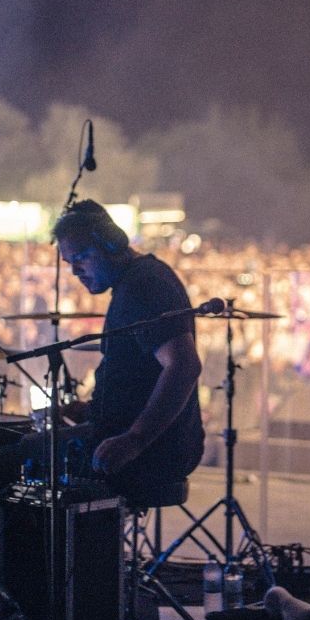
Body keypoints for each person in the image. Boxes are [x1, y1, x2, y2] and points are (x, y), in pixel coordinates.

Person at [54, 199, 204, 501]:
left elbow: (184, 366)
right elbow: (138, 379)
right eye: (69, 262)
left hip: (153, 452)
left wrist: (135, 439)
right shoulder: (137, 280)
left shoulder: (144, 286)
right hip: (139, 440)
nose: (75, 271)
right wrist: (88, 411)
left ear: (111, 243)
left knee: (14, 458)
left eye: (81, 257)